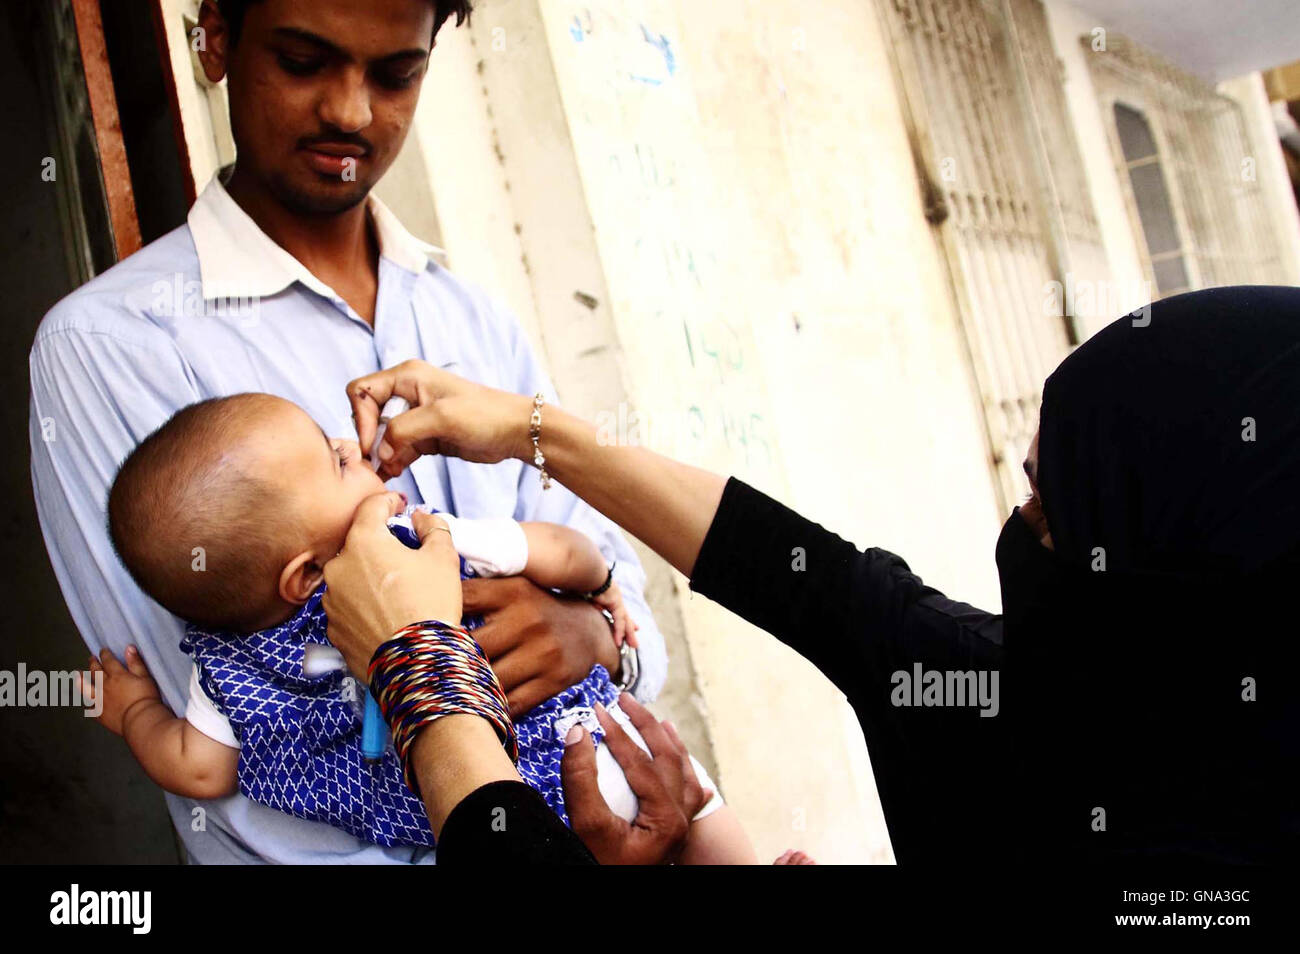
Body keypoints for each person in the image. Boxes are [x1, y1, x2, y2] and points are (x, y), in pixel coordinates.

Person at [332, 285, 1300, 863]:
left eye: (1049, 521)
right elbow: (820, 585)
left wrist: (422, 675)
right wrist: (533, 433)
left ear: (1179, 588)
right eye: (1026, 487)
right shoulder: (1025, 690)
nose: (1014, 533)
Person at [29, 0, 670, 864]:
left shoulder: (471, 321)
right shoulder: (113, 346)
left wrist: (594, 639)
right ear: (217, 37)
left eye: (395, 74)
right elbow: (253, 781)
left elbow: (630, 604)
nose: (352, 112)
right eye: (303, 60)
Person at [84, 393, 755, 863]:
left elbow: (196, 770)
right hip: (584, 749)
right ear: (304, 573)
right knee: (694, 801)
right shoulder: (422, 544)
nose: (351, 446)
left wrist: (136, 709)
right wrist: (601, 589)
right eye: (336, 460)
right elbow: (565, 552)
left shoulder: (228, 672)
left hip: (487, 829)